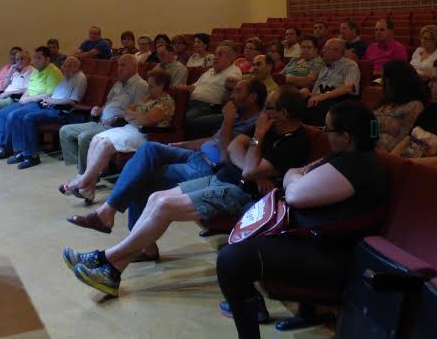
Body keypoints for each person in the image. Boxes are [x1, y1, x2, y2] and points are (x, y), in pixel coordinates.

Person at [62, 87, 310, 297]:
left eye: (270, 108)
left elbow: (246, 172)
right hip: (222, 178)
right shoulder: (267, 130)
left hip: (240, 193)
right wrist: (249, 159)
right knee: (156, 197)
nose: (266, 113)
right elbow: (235, 148)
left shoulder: (291, 141)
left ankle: (104, 258)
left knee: (163, 206)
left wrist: (254, 141)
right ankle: (112, 271)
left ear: (283, 114)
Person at [216, 101, 388, 339]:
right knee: (240, 233)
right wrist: (294, 175)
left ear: (346, 136)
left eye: (328, 130)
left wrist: (293, 176)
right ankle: (252, 304)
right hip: (313, 238)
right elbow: (297, 176)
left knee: (230, 260)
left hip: (332, 254)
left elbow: (295, 193)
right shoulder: (346, 158)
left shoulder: (356, 165)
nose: (325, 135)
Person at [66, 79, 267, 235]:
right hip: (196, 154)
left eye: (237, 91)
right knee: (149, 149)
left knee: (143, 176)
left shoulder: (256, 126)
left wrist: (228, 121)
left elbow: (224, 157)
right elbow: (213, 140)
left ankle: (119, 224)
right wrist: (184, 144)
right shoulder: (238, 115)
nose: (231, 95)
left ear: (253, 98)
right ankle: (106, 208)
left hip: (210, 167)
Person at [60, 69, 175, 202]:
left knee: (105, 144)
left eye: (151, 86)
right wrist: (134, 116)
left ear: (161, 86)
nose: (148, 89)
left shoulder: (166, 102)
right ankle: (89, 189)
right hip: (129, 128)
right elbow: (126, 111)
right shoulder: (148, 98)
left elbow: (146, 121)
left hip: (145, 134)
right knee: (96, 139)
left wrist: (132, 116)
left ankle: (82, 182)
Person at [58, 54, 149, 176]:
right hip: (101, 121)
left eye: (123, 65)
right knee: (65, 131)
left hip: (118, 125)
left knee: (85, 137)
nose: (119, 68)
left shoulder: (141, 85)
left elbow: (137, 111)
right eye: (118, 65)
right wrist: (99, 109)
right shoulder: (118, 83)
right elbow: (108, 103)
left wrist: (116, 117)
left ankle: (85, 175)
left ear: (133, 67)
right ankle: (86, 168)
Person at [0, 46, 62, 160]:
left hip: (41, 104)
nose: (35, 60)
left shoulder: (53, 73)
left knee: (14, 115)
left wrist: (27, 99)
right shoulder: (36, 71)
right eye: (35, 57)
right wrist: (24, 97)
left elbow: (49, 96)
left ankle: (12, 149)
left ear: (47, 59)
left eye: (39, 58)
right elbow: (29, 88)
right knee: (3, 113)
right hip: (28, 101)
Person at [5, 57, 88, 169]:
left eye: (69, 66)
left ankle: (32, 156)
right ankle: (22, 151)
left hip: (61, 111)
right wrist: (48, 100)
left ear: (77, 67)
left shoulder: (80, 78)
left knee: (28, 118)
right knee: (18, 115)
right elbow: (56, 95)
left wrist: (52, 101)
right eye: (64, 65)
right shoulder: (66, 78)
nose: (65, 68)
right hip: (49, 106)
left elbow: (72, 101)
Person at [177, 44, 243, 139]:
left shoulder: (234, 72)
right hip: (191, 103)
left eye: (220, 55)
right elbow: (194, 87)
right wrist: (184, 87)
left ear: (230, 59)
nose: (215, 57)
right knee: (172, 116)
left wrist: (231, 86)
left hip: (209, 107)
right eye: (215, 54)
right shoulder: (210, 71)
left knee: (184, 120)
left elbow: (234, 88)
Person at [302, 38, 360, 127]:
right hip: (321, 98)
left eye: (327, 48)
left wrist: (322, 96)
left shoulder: (350, 65)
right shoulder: (324, 66)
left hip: (338, 100)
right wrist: (309, 93)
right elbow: (316, 89)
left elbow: (348, 87)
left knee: (316, 108)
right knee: (295, 100)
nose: (323, 51)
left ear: (338, 51)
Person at [375, 61, 425, 152]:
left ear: (394, 82)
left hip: (392, 155)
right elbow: (372, 127)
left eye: (383, 79)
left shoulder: (414, 106)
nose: (381, 83)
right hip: (372, 149)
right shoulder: (386, 101)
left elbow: (404, 142)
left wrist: (373, 141)